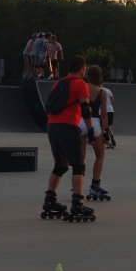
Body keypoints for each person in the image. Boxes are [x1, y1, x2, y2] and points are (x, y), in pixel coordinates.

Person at [40, 55, 95, 222]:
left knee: (61, 164)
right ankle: (78, 203)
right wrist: (90, 129)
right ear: (82, 69)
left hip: (52, 126)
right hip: (68, 126)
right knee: (78, 165)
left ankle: (50, 200)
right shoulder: (80, 84)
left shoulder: (58, 83)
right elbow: (85, 109)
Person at [80, 65, 111, 201]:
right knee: (100, 155)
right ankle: (95, 185)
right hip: (94, 123)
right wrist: (106, 131)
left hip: (80, 121)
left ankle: (77, 184)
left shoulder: (82, 87)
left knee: (81, 157)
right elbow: (104, 114)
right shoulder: (102, 92)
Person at [103, 83, 116, 148]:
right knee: (108, 126)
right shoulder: (108, 90)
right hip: (110, 110)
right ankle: (112, 139)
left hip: (102, 110)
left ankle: (107, 140)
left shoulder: (98, 90)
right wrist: (110, 107)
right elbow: (113, 101)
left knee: (102, 126)